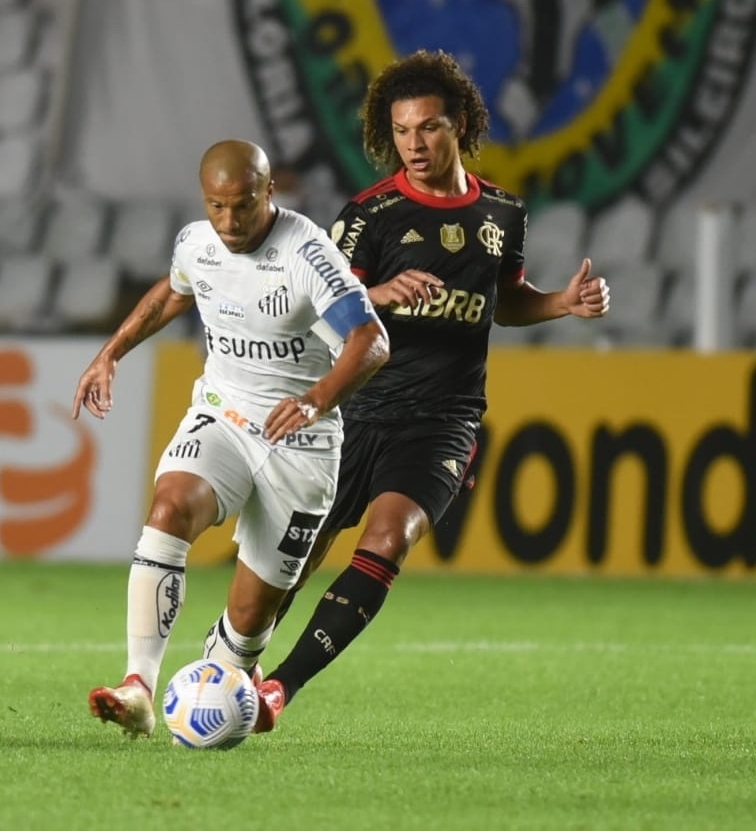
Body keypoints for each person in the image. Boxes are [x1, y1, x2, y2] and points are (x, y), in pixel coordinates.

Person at [254, 50, 611, 731]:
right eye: (402, 131)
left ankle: (277, 691)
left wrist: (562, 302)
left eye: (429, 128)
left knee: (389, 538)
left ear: (463, 125)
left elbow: (503, 302)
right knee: (293, 563)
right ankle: (229, 663)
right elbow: (319, 312)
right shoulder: (369, 215)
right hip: (357, 410)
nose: (414, 145)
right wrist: (378, 294)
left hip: (444, 420)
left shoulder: (504, 213)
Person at [73, 139, 389, 737]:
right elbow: (173, 292)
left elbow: (372, 343)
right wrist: (110, 353)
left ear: (269, 192)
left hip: (301, 444)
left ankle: (225, 679)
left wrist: (315, 398)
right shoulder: (197, 243)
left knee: (249, 616)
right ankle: (139, 686)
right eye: (216, 206)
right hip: (223, 414)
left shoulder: (308, 254)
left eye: (242, 206)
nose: (228, 222)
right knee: (168, 508)